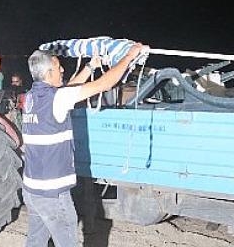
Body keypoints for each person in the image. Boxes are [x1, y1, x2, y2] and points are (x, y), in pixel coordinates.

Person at [22, 43, 149, 247]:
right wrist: (128, 57)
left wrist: (90, 67)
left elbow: (68, 90)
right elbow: (104, 84)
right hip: (53, 195)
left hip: (33, 191)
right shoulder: (57, 98)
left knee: (35, 241)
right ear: (48, 73)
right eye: (58, 67)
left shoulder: (32, 97)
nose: (62, 70)